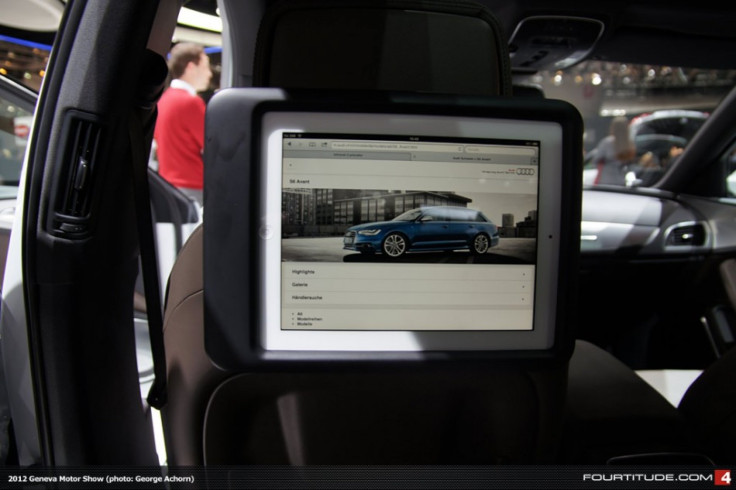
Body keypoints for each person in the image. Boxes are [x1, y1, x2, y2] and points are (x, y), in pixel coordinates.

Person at [154, 42, 213, 205]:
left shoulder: (163, 100)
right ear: (191, 67)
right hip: (194, 189)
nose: (209, 74)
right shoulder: (190, 102)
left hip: (169, 187)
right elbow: (213, 146)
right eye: (205, 67)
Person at [593, 116, 636, 185]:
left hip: (605, 181)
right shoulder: (629, 144)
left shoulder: (607, 142)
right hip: (621, 181)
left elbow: (596, 160)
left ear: (613, 127)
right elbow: (631, 164)